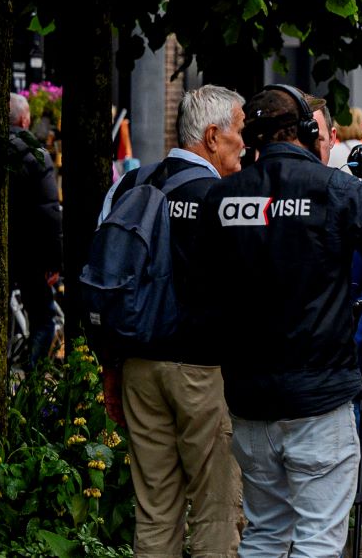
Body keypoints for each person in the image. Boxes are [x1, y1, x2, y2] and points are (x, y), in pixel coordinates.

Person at [206, 86, 362, 558]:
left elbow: (201, 281)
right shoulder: (336, 188)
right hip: (318, 400)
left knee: (263, 534)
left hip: (249, 399)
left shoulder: (221, 196)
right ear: (306, 132)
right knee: (319, 539)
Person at [101, 84, 246, 558]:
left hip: (138, 367)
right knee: (216, 510)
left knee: (155, 511)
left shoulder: (132, 184)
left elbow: (108, 274)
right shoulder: (224, 198)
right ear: (211, 136)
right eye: (239, 132)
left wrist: (111, 365)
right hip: (203, 373)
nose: (245, 144)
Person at [8, 91, 62, 366]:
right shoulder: (36, 154)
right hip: (30, 254)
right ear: (25, 119)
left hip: (2, 251)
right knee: (44, 319)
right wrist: (54, 261)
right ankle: (31, 383)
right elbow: (50, 212)